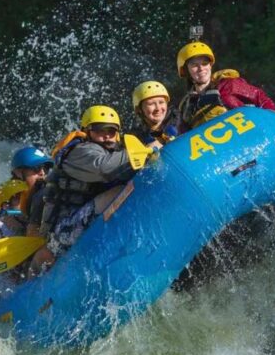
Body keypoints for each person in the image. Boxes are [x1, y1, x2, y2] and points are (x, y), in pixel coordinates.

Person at [32, 105, 136, 268]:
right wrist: (147, 149)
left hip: (90, 222)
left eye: (111, 131)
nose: (106, 136)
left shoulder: (116, 153)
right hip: (62, 229)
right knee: (117, 192)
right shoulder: (79, 152)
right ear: (87, 131)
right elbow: (105, 168)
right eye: (100, 131)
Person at [176, 40, 275, 133]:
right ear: (186, 71)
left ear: (210, 66)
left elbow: (261, 99)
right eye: (194, 65)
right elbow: (183, 139)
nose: (201, 68)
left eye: (205, 63)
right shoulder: (185, 107)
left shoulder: (229, 85)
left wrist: (273, 123)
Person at [10, 146, 54, 237]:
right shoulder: (11, 198)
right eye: (37, 168)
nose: (42, 173)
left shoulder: (48, 192)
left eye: (45, 168)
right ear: (18, 173)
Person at [131, 80, 178, 149]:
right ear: (139, 109)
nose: (158, 108)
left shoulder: (181, 120)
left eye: (161, 102)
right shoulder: (136, 139)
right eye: (151, 104)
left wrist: (161, 141)